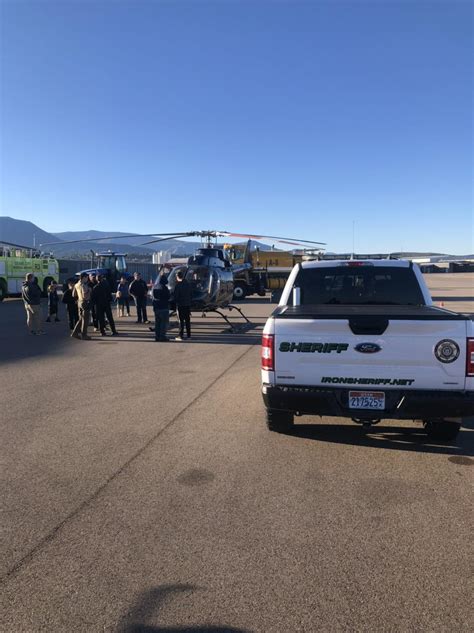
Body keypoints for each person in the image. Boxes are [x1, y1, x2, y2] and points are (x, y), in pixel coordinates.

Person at [71, 273, 92, 340]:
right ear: (83, 278)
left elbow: (73, 294)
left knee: (80, 319)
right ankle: (84, 335)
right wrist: (89, 290)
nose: (87, 279)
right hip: (85, 302)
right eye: (87, 278)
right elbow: (85, 295)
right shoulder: (83, 285)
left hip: (79, 302)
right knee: (85, 320)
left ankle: (75, 333)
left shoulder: (76, 284)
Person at [173, 269, 192, 340]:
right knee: (187, 320)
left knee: (181, 321)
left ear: (177, 276)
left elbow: (175, 296)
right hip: (187, 305)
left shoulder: (178, 285)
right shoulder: (188, 284)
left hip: (180, 305)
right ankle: (189, 335)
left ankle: (180, 335)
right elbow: (191, 294)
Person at [152, 275, 170, 342]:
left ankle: (157, 336)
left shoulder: (155, 286)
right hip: (163, 307)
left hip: (156, 307)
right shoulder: (164, 288)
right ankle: (162, 336)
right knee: (163, 323)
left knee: (157, 323)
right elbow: (168, 297)